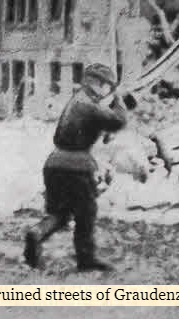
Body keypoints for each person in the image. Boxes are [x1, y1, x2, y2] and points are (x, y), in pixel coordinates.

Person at [23, 63, 127, 272]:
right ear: (98, 83)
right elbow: (118, 121)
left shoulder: (77, 101)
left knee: (60, 215)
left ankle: (36, 233)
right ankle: (86, 259)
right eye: (108, 86)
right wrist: (120, 100)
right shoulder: (88, 104)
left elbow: (98, 126)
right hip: (76, 167)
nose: (108, 91)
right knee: (86, 213)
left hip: (54, 163)